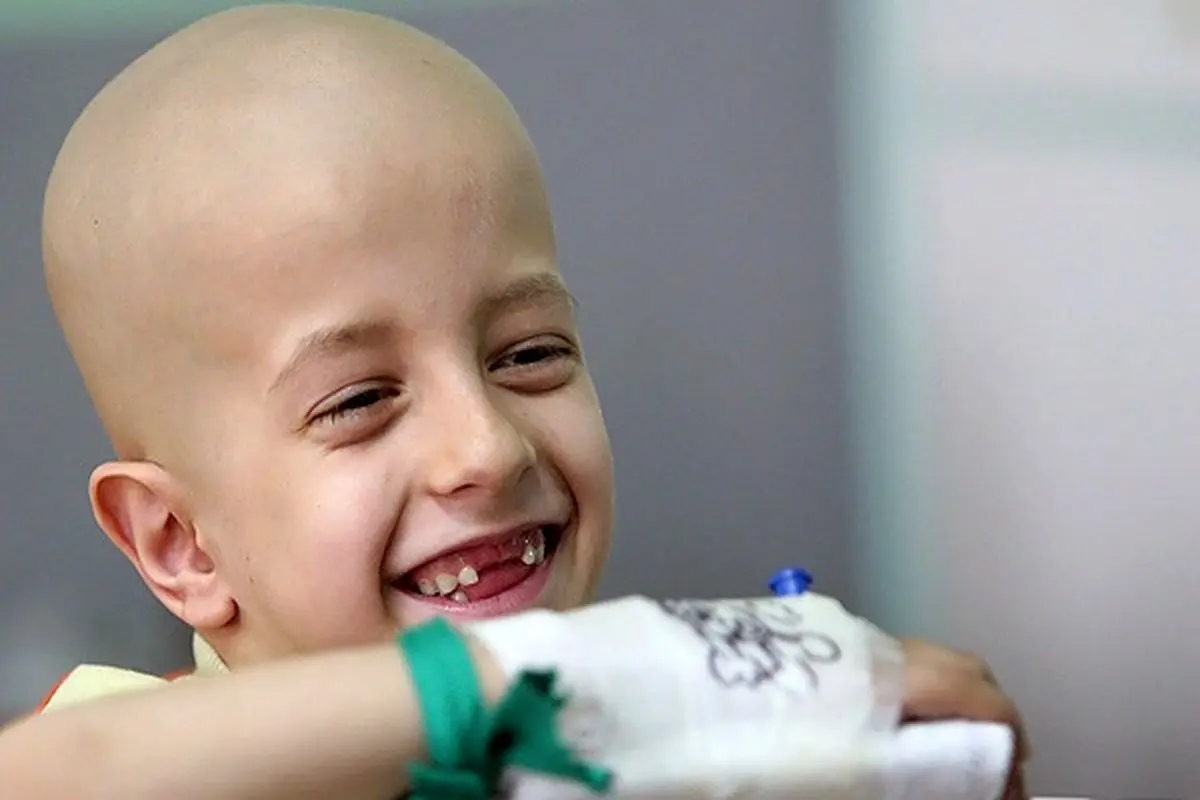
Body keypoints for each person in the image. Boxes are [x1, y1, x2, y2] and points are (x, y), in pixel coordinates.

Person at [0, 4, 1029, 797]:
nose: (486, 448)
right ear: (182, 543)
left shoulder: (650, 752)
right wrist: (606, 676)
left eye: (530, 353)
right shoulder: (131, 745)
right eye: (359, 400)